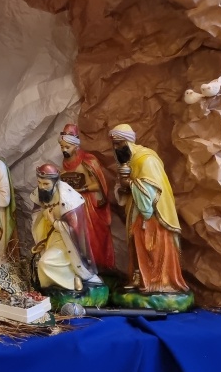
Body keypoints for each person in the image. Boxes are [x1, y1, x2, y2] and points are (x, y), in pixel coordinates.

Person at [109, 124, 188, 293]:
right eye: (114, 145)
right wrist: (122, 187)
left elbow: (151, 191)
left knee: (153, 246)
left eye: (119, 143)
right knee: (136, 244)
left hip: (154, 216)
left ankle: (160, 281)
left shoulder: (146, 160)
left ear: (128, 142)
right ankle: (139, 277)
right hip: (136, 212)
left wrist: (130, 184)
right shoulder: (128, 162)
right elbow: (123, 189)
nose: (116, 148)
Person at [30, 164, 101, 291]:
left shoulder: (67, 199)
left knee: (45, 262)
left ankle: (71, 280)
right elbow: (37, 215)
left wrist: (53, 221)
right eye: (39, 183)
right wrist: (41, 238)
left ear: (55, 182)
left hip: (67, 241)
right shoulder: (41, 193)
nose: (41, 187)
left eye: (46, 184)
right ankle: (58, 285)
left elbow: (73, 229)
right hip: (50, 236)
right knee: (39, 262)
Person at [59, 124, 114, 270]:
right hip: (73, 206)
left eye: (67, 147)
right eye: (62, 147)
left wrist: (80, 189)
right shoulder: (64, 164)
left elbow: (99, 186)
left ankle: (99, 267)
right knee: (75, 237)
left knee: (91, 238)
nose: (64, 150)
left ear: (76, 146)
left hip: (89, 207)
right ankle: (81, 267)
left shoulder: (88, 161)